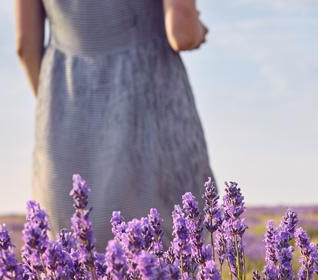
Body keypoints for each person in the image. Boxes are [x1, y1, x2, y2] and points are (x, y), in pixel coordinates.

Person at [15, 0, 214, 245]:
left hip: (67, 112)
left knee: (70, 259)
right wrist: (198, 30)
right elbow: (182, 32)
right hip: (149, 106)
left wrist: (55, 109)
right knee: (173, 254)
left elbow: (26, 46)